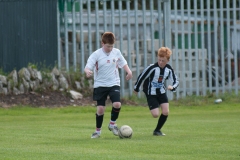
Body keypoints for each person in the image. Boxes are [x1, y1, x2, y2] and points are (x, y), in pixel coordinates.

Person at [84, 32, 133, 138]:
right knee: (100, 109)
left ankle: (112, 124)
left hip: (113, 83)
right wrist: (87, 71)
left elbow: (123, 63)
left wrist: (129, 72)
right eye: (108, 46)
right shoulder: (96, 54)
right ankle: (97, 131)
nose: (110, 48)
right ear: (102, 43)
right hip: (100, 85)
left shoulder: (116, 52)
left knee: (117, 104)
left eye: (112, 46)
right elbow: (88, 66)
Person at [134, 47, 179, 136]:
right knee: (155, 114)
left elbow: (175, 81)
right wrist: (136, 88)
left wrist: (172, 87)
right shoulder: (152, 68)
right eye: (159, 60)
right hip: (151, 92)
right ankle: (154, 105)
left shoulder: (169, 69)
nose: (161, 62)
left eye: (163, 61)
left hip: (161, 91)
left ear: (168, 60)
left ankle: (157, 131)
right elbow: (141, 76)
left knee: (166, 112)